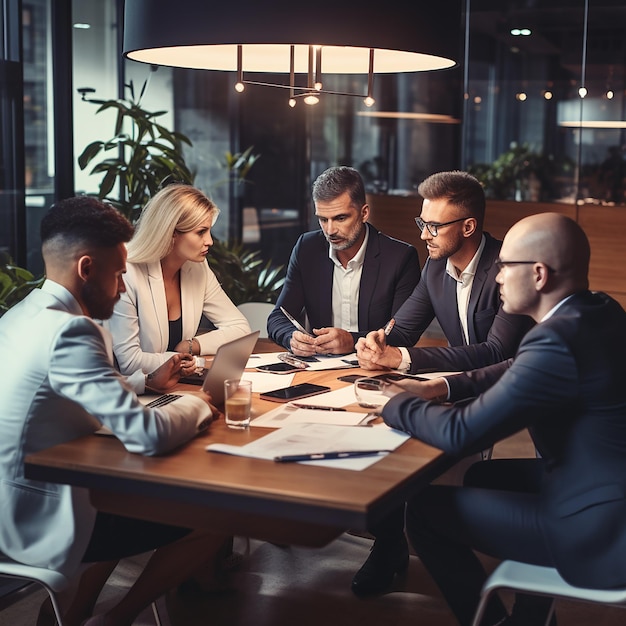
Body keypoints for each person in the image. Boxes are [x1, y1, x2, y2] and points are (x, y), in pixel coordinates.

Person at [381, 212, 626, 626]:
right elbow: (519, 366)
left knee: (422, 511)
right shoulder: (598, 310)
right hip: (601, 486)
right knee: (480, 478)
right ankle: (531, 619)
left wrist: (393, 403)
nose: (495, 276)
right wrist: (440, 387)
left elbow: (463, 434)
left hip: (597, 529)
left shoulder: (554, 341)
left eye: (504, 266)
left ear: (538, 275)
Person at [0, 196, 226, 626]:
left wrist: (143, 387)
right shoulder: (72, 331)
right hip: (40, 519)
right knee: (216, 515)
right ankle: (118, 618)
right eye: (119, 273)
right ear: (87, 268)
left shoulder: (23, 314)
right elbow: (148, 435)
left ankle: (81, 612)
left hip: (11, 497)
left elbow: (80, 392)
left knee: (139, 498)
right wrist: (198, 405)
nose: (124, 288)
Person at [351, 170, 534, 597]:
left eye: (434, 226)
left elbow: (496, 353)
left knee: (432, 479)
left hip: (509, 392)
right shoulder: (435, 268)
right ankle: (391, 541)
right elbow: (404, 329)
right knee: (393, 448)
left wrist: (406, 359)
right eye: (422, 223)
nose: (425, 235)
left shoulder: (508, 268)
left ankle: (437, 542)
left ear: (468, 226)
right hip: (458, 389)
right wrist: (377, 341)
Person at [267, 166, 420, 355]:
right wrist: (291, 337)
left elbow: (404, 334)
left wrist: (352, 340)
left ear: (364, 213)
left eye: (340, 218)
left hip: (377, 367)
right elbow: (278, 317)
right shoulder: (307, 249)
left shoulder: (400, 257)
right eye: (323, 219)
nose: (330, 230)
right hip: (320, 368)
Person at [107, 183, 251, 377]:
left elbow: (240, 328)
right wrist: (185, 360)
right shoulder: (127, 272)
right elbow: (131, 362)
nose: (210, 241)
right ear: (172, 232)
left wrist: (193, 345)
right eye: (201, 232)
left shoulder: (198, 268)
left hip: (175, 386)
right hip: (129, 394)